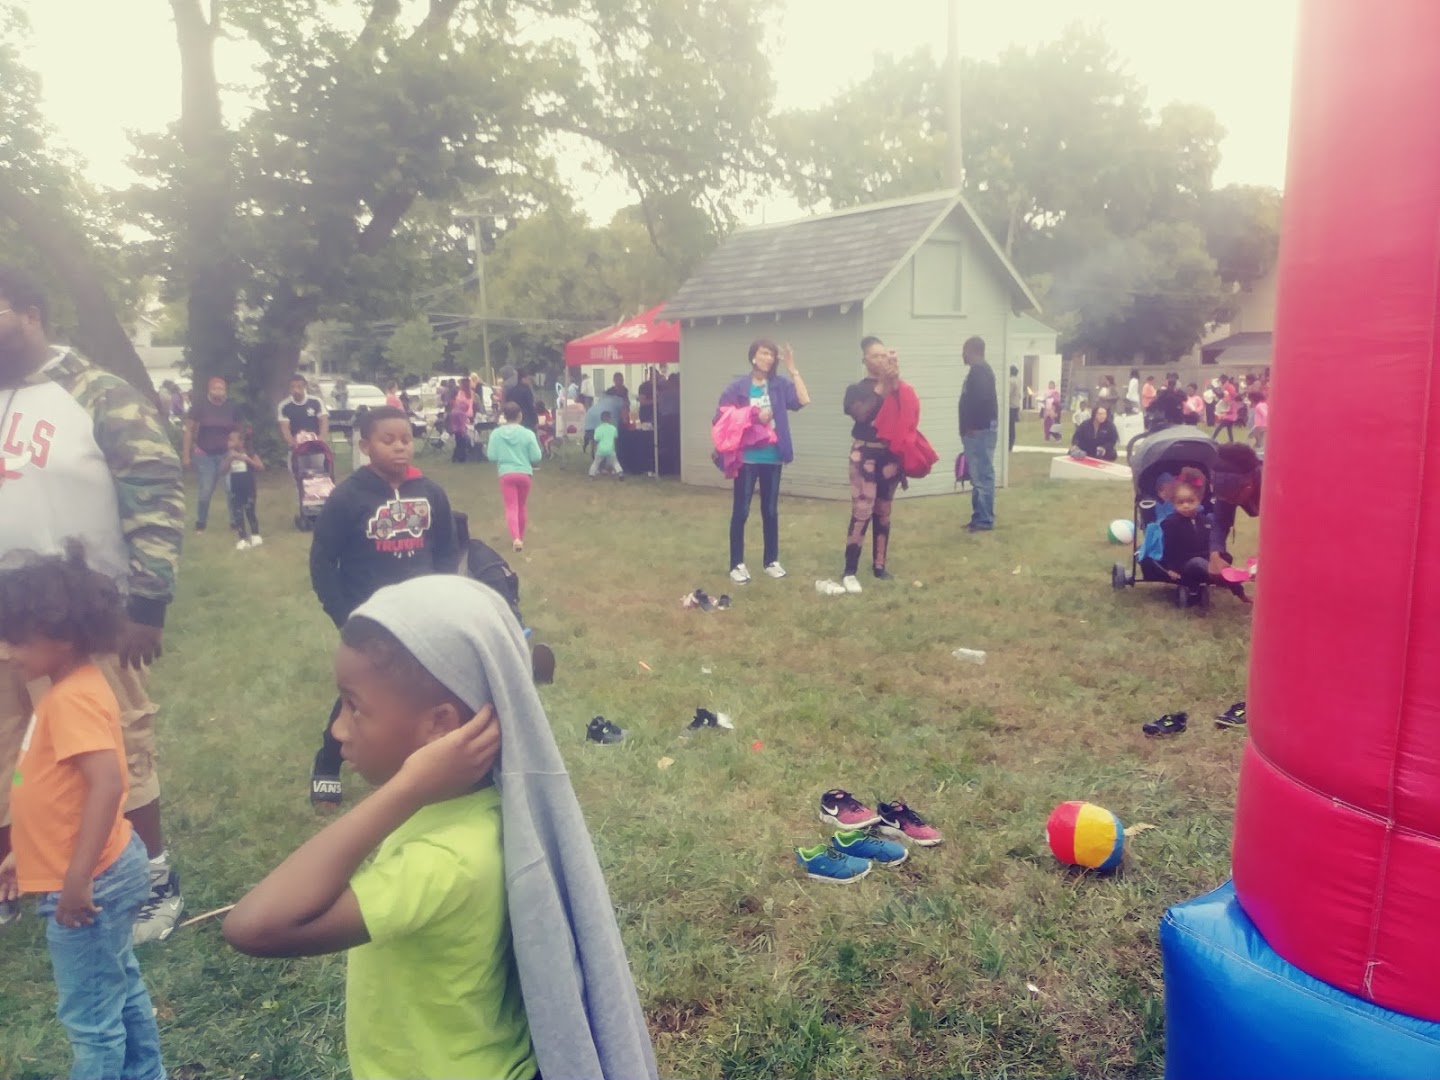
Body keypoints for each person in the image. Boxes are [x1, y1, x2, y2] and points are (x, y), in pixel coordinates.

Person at [223, 576, 658, 1080]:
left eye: (354, 706)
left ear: (440, 726)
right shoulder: (484, 812)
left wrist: (404, 789)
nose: (337, 729)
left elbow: (254, 926)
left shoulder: (443, 859)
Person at [0, 267, 186, 944]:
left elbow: (156, 487)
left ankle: (152, 881)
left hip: (86, 618)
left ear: (31, 313)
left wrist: (148, 601)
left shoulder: (97, 393)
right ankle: (19, 875)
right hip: (6, 617)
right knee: (10, 745)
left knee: (114, 745)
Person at [0, 544, 167, 1080]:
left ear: (64, 636)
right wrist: (24, 853)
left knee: (90, 1019)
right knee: (119, 983)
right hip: (97, 871)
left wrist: (76, 878)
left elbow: (107, 783)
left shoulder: (72, 699)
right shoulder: (60, 691)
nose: (9, 652)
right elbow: (51, 789)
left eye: (19, 640)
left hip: (91, 885)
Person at [307, 406, 457, 806]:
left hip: (422, 615)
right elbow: (322, 561)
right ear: (365, 446)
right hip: (370, 618)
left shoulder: (430, 492)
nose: (399, 447)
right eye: (387, 440)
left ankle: (417, 762)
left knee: (420, 688)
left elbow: (447, 547)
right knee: (361, 693)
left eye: (406, 439)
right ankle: (328, 762)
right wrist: (343, 615)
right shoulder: (347, 497)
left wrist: (442, 594)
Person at [715, 339, 811, 580]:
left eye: (772, 354)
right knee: (741, 510)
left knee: (770, 510)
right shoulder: (738, 387)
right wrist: (753, 416)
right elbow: (721, 417)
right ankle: (737, 564)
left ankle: (771, 561)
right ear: (753, 357)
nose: (769, 358)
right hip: (747, 457)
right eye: (764, 353)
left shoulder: (779, 385)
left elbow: (803, 400)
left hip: (772, 456)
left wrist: (793, 370)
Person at [833, 337, 909, 594]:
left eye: (884, 355)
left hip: (889, 456)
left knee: (883, 510)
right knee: (862, 510)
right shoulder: (855, 390)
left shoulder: (895, 386)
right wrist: (882, 386)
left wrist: (895, 381)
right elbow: (863, 414)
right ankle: (850, 570)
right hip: (864, 454)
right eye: (875, 356)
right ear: (864, 360)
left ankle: (879, 566)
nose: (881, 360)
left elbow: (906, 412)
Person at [182, 374, 240, 531]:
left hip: (225, 453)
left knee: (230, 488)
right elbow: (188, 431)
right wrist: (186, 455)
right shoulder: (199, 406)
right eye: (215, 388)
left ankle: (235, 521)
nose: (218, 391)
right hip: (204, 454)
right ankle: (201, 522)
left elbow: (236, 430)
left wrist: (234, 445)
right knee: (205, 490)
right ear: (209, 390)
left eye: (222, 388)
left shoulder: (231, 406)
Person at [1208, 442, 1261, 604]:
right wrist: (1215, 554)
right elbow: (1219, 522)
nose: (1228, 502)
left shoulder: (1275, 485)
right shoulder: (1229, 485)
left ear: (1248, 486)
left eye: (1232, 497)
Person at [489, 401, 543, 551]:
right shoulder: (527, 434)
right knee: (521, 505)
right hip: (524, 473)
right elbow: (536, 456)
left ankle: (516, 538)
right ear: (520, 415)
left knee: (511, 507)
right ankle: (521, 537)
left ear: (505, 416)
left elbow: (492, 455)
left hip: (506, 473)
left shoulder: (496, 434)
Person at [957, 336, 998, 532]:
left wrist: (973, 425)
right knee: (979, 475)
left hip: (979, 432)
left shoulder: (979, 370)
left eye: (964, 350)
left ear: (971, 350)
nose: (962, 355)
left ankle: (984, 520)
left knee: (982, 475)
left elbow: (982, 400)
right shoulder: (980, 370)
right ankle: (979, 516)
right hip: (980, 431)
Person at [1160, 480, 1216, 608]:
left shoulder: (1206, 521)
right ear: (1174, 504)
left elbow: (1211, 544)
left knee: (1224, 557)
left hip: (1205, 558)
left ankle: (1218, 574)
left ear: (1198, 501)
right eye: (1181, 502)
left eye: (1190, 501)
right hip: (1184, 563)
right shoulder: (1171, 523)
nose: (1186, 505)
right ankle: (1220, 576)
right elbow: (1169, 547)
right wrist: (1171, 568)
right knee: (1197, 562)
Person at [222, 428, 264, 550]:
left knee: (250, 511)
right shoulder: (229, 455)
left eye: (232, 440)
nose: (229, 443)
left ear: (241, 442)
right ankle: (242, 538)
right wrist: (230, 459)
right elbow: (222, 471)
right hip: (236, 488)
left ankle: (255, 535)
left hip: (249, 487)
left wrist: (247, 459)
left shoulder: (250, 453)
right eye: (228, 440)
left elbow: (260, 467)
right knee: (238, 513)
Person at [277, 373, 329, 449]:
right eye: (293, 387)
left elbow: (324, 422)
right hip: (296, 447)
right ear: (289, 388)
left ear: (305, 387)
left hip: (316, 444)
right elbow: (285, 429)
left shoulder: (316, 402)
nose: (296, 390)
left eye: (299, 387)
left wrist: (320, 441)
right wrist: (293, 443)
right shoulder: (284, 406)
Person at [589, 411, 623, 479]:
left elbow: (596, 439)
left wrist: (594, 448)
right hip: (610, 449)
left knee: (596, 463)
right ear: (610, 418)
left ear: (601, 419)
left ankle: (591, 475)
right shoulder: (613, 428)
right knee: (615, 462)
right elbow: (615, 438)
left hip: (601, 449)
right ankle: (620, 473)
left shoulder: (598, 429)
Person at [448, 380, 475, 463]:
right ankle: (460, 457)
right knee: (460, 439)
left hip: (462, 416)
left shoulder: (466, 394)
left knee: (460, 440)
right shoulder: (461, 393)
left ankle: (458, 457)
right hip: (460, 417)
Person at [1007, 365, 1022, 451]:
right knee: (1012, 426)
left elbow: (1008, 393)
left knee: (1009, 426)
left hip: (1011, 406)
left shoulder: (1011, 381)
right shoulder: (1018, 380)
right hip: (1016, 405)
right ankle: (1011, 444)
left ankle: (1009, 445)